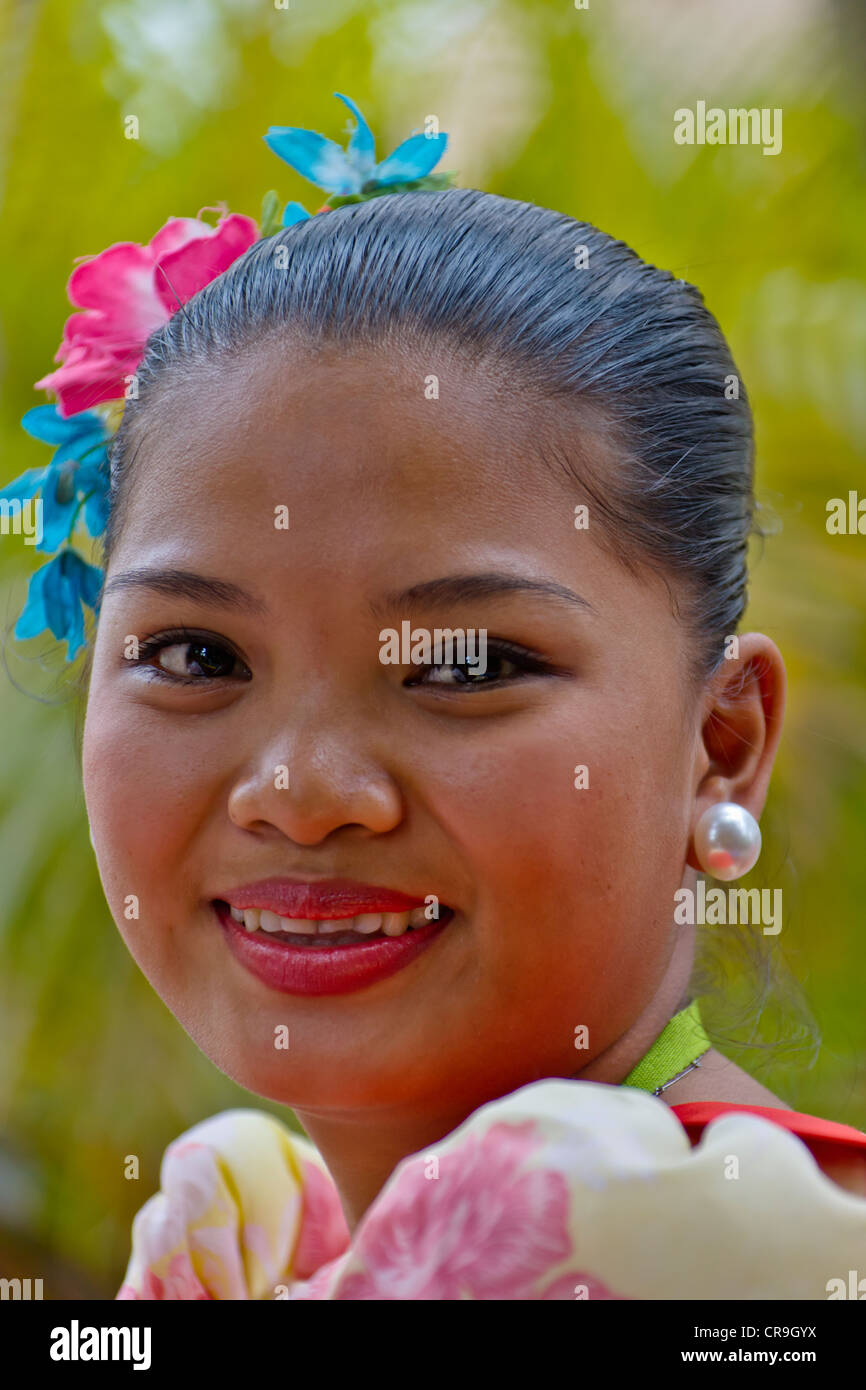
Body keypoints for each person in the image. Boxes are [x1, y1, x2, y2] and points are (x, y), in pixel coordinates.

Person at [4, 95, 865, 1301]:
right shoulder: (249, 1249)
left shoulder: (763, 1276)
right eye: (196, 656)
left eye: (462, 666)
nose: (301, 793)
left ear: (720, 744)